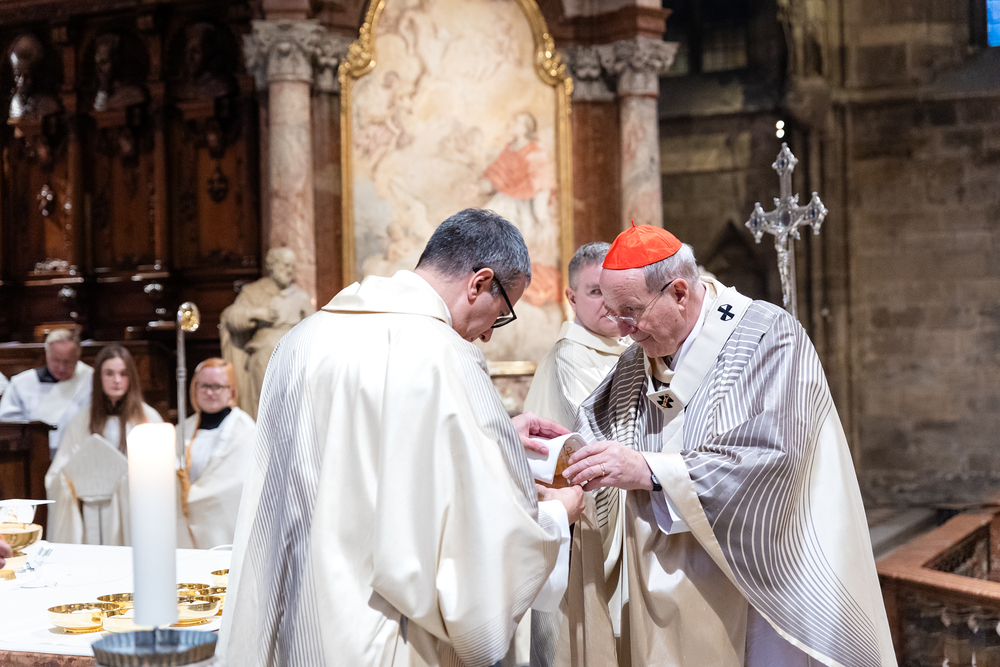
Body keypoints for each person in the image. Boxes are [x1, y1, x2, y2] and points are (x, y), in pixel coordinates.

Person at [218, 208, 585, 667]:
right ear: (479, 283)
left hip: (291, 622)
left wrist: (490, 439)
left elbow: (353, 458)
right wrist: (555, 515)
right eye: (502, 312)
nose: (490, 334)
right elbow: (473, 549)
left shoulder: (303, 338)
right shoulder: (442, 354)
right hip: (381, 636)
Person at [554, 224, 896, 666]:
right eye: (615, 313)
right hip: (676, 583)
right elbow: (599, 424)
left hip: (764, 578)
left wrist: (651, 471)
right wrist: (561, 453)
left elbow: (775, 456)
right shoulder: (640, 357)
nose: (623, 330)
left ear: (679, 293)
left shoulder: (768, 337)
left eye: (631, 312)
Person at [45, 345, 161, 545]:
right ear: (98, 377)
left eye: (123, 373)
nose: (117, 380)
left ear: (131, 377)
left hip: (134, 509)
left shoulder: (148, 419)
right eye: (109, 373)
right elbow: (59, 473)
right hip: (93, 510)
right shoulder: (82, 420)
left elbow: (163, 470)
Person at [524, 242, 629, 430]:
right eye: (596, 291)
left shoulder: (633, 344)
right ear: (572, 299)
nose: (610, 301)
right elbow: (599, 435)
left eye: (616, 289)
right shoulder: (569, 358)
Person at [220, 247, 315, 419]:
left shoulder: (300, 296)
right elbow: (232, 317)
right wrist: (257, 313)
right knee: (267, 406)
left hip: (295, 356)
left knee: (294, 405)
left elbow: (314, 327)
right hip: (264, 355)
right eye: (285, 265)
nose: (289, 270)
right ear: (271, 265)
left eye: (292, 266)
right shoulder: (253, 292)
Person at [176, 358, 255, 549]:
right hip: (184, 526)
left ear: (231, 390)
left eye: (217, 386)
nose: (210, 392)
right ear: (194, 388)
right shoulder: (182, 429)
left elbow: (237, 483)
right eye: (204, 386)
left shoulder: (245, 430)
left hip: (222, 524)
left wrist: (192, 498)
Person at [0, 329, 93, 452]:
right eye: (56, 360)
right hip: (36, 452)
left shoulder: (91, 379)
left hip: (81, 450)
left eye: (67, 361)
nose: (61, 367)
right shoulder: (22, 383)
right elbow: (9, 425)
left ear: (77, 357)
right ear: (47, 354)